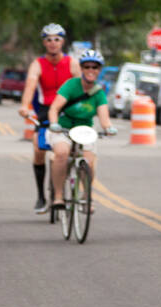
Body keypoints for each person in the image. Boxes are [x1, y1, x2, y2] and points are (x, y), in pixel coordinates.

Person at [44, 48, 114, 209]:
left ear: (99, 70)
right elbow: (54, 108)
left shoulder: (99, 93)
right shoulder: (71, 85)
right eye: (87, 66)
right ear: (81, 68)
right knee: (61, 153)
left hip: (85, 131)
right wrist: (54, 124)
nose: (91, 70)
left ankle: (87, 196)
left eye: (95, 67)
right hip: (63, 128)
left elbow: (104, 118)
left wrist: (109, 128)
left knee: (89, 162)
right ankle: (58, 197)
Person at [18, 23, 73, 213]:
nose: (53, 43)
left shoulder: (72, 63)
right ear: (44, 42)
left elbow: (82, 84)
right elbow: (31, 84)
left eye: (57, 39)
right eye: (48, 39)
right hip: (44, 110)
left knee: (75, 147)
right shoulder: (38, 64)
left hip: (67, 110)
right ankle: (41, 196)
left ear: (62, 41)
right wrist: (25, 106)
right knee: (38, 148)